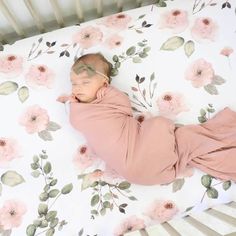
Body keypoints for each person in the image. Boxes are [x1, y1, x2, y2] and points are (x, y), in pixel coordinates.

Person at [57, 53, 236, 185]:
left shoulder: (109, 99)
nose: (77, 88)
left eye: (85, 82)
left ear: (105, 84)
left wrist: (105, 92)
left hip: (139, 171)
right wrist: (73, 101)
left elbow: (124, 107)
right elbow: (76, 121)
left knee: (174, 137)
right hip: (136, 166)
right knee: (164, 127)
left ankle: (174, 157)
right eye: (74, 83)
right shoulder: (80, 112)